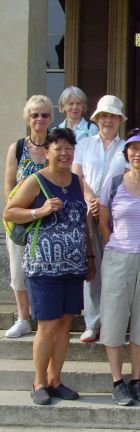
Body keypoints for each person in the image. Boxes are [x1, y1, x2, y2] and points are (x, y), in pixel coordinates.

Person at [4, 128, 95, 405]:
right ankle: (39, 381)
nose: (64, 152)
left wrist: (90, 258)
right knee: (47, 325)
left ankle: (56, 380)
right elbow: (9, 211)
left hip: (74, 265)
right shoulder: (36, 180)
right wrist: (39, 211)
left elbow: (83, 223)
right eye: (58, 148)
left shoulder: (77, 181)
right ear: (47, 152)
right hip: (43, 266)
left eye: (69, 147)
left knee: (66, 323)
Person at [98, 129, 140, 406]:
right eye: (133, 148)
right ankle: (117, 381)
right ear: (127, 152)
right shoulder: (113, 182)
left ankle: (137, 379)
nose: (138, 153)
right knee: (114, 318)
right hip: (118, 258)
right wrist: (114, 245)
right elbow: (103, 222)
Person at [72, 95, 128, 343]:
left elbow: (128, 180)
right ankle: (92, 323)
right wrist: (92, 198)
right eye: (103, 116)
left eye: (113, 116)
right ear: (97, 119)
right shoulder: (84, 144)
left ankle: (114, 323)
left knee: (115, 270)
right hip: (88, 211)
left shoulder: (126, 147)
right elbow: (77, 174)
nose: (108, 120)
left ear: (119, 120)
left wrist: (105, 205)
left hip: (115, 215)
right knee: (92, 268)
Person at [3, 95, 52, 338]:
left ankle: (44, 316)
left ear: (51, 118)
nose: (40, 119)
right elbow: (9, 185)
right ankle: (23, 317)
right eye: (35, 115)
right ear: (27, 118)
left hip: (50, 220)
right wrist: (19, 211)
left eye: (44, 114)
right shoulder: (18, 148)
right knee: (18, 270)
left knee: (45, 269)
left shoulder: (55, 146)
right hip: (22, 220)